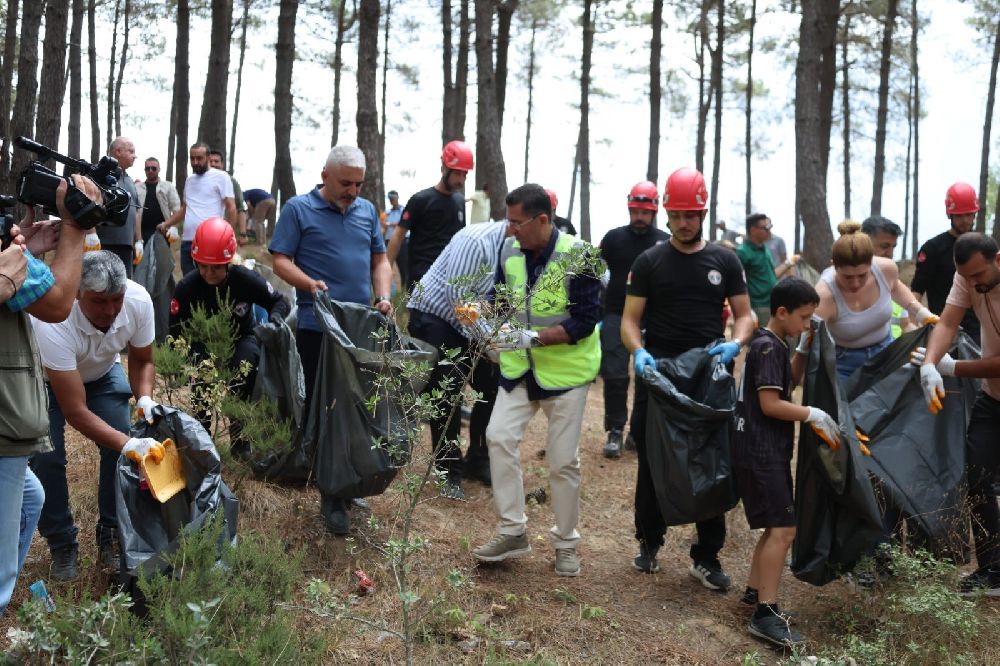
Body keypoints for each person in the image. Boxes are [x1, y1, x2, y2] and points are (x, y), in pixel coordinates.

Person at [621, 166, 754, 590]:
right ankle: (649, 541)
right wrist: (638, 351)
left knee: (711, 460)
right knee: (652, 455)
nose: (683, 222)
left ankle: (706, 556)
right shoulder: (649, 261)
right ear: (666, 214)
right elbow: (629, 320)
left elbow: (746, 314)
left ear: (702, 213)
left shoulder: (724, 260)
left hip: (708, 374)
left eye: (691, 215)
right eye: (676, 215)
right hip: (658, 373)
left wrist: (737, 342)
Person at [471, 184, 602, 577]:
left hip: (566, 375)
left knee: (562, 463)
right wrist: (481, 312)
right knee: (498, 437)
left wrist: (535, 337)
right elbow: (500, 297)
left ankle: (566, 544)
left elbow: (586, 320)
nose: (510, 230)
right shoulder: (510, 249)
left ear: (542, 220)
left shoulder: (583, 256)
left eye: (516, 222)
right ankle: (513, 530)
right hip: (518, 370)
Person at [269, 145, 392, 536]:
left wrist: (383, 296)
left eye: (358, 184)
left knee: (358, 410)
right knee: (327, 410)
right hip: (317, 326)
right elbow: (280, 260)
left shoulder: (367, 211)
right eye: (345, 183)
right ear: (325, 175)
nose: (352, 191)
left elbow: (380, 259)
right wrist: (308, 284)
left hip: (361, 329)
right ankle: (330, 493)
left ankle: (348, 483)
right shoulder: (298, 210)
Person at [30, 251, 160, 581]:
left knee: (118, 445)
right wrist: (130, 443)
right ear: (77, 293)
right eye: (99, 301)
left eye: (116, 300)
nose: (110, 310)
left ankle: (111, 535)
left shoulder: (138, 300)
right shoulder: (53, 316)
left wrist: (144, 397)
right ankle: (62, 543)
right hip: (45, 381)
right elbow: (75, 411)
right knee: (47, 457)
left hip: (102, 373)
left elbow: (143, 359)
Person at [0, 175, 96, 614]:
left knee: (31, 500)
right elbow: (58, 304)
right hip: (5, 419)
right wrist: (74, 229)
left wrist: (26, 254)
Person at [733, 278, 839, 647]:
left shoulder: (776, 343)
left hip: (765, 450)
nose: (808, 324)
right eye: (805, 319)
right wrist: (812, 413)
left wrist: (804, 349)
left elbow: (789, 380)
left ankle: (753, 592)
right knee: (784, 530)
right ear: (782, 312)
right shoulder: (765, 347)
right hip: (761, 452)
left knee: (774, 526)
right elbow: (770, 404)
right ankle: (767, 613)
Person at [917, 233, 1000, 595]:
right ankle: (994, 570)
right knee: (976, 474)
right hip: (993, 399)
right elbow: (948, 323)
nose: (973, 283)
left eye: (979, 274)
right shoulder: (967, 277)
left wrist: (954, 369)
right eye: (967, 277)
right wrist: (930, 365)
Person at [406, 219, 512, 496]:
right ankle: (448, 471)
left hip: (474, 323)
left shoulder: (522, 250)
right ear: (515, 224)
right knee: (447, 391)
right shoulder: (477, 241)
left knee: (492, 386)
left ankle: (478, 459)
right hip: (436, 315)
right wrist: (487, 340)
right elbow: (457, 297)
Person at [169, 217, 290, 459]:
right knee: (201, 382)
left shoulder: (244, 279)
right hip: (203, 342)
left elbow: (279, 301)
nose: (209, 273)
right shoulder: (187, 287)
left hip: (241, 338)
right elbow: (175, 328)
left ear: (228, 262)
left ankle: (240, 440)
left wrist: (275, 319)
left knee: (243, 372)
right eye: (202, 266)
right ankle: (202, 442)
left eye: (215, 267)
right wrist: (178, 360)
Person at [596, 181, 669, 458]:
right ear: (629, 208)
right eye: (635, 211)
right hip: (615, 314)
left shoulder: (664, 241)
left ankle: (638, 432)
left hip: (653, 319)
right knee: (614, 375)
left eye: (645, 212)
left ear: (654, 211)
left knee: (646, 377)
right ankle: (614, 430)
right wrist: (596, 314)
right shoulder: (613, 239)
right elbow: (593, 274)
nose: (639, 217)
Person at [815, 221, 937, 381]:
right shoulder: (824, 296)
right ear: (834, 266)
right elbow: (812, 342)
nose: (856, 283)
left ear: (872, 264)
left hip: (886, 351)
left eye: (862, 275)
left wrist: (921, 312)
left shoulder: (886, 270)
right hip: (845, 363)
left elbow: (895, 288)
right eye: (848, 277)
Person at [387, 140, 472, 292]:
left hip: (450, 282)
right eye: (457, 173)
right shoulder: (420, 200)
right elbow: (398, 236)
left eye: (464, 174)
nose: (461, 180)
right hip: (422, 282)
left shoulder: (459, 202)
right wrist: (385, 274)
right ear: (444, 169)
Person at [911, 182, 982, 346]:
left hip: (979, 331)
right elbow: (916, 292)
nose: (965, 220)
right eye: (959, 215)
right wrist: (912, 326)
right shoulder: (933, 249)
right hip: (943, 330)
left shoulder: (983, 247)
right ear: (950, 214)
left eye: (969, 215)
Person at [158, 142, 237, 276]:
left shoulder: (221, 177)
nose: (195, 162)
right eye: (192, 158)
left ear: (207, 157)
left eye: (199, 158)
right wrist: (166, 224)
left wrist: (228, 235)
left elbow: (232, 208)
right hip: (188, 241)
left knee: (209, 281)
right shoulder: (189, 181)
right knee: (189, 282)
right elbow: (184, 210)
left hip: (212, 240)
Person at [736, 213, 798, 326]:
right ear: (753, 230)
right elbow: (738, 283)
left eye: (770, 227)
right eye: (766, 228)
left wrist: (788, 264)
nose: (769, 231)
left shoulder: (764, 248)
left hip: (773, 302)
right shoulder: (742, 252)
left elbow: (771, 275)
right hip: (758, 306)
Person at [96, 137, 141, 276]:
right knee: (102, 285)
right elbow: (90, 203)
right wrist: (90, 233)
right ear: (118, 151)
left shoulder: (129, 180)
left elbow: (136, 211)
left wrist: (139, 240)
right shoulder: (99, 175)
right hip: (102, 244)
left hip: (127, 246)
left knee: (125, 287)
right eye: (131, 151)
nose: (135, 156)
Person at [861, 215, 909, 338]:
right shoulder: (845, 282)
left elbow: (906, 325)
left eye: (893, 247)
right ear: (863, 243)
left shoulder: (894, 284)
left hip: (893, 353)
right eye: (885, 246)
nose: (890, 253)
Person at [134, 157, 181, 244]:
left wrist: (173, 227)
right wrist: (138, 238)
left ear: (159, 169)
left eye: (154, 168)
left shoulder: (168, 187)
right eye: (147, 168)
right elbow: (134, 212)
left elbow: (176, 209)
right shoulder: (137, 188)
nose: (150, 171)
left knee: (161, 257)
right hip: (142, 233)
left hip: (162, 231)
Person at [208, 149, 249, 246]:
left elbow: (240, 208)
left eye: (216, 161)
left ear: (222, 164)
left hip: (223, 231)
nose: (213, 164)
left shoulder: (231, 181)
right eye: (210, 161)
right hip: (202, 231)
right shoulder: (198, 181)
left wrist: (243, 234)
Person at [384, 189, 409, 290]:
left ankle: (405, 290)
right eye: (390, 199)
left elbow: (401, 224)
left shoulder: (404, 211)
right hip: (388, 241)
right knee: (387, 266)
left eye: (393, 198)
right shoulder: (387, 213)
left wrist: (390, 224)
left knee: (404, 268)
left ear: (397, 198)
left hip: (402, 242)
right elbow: (383, 225)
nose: (391, 201)